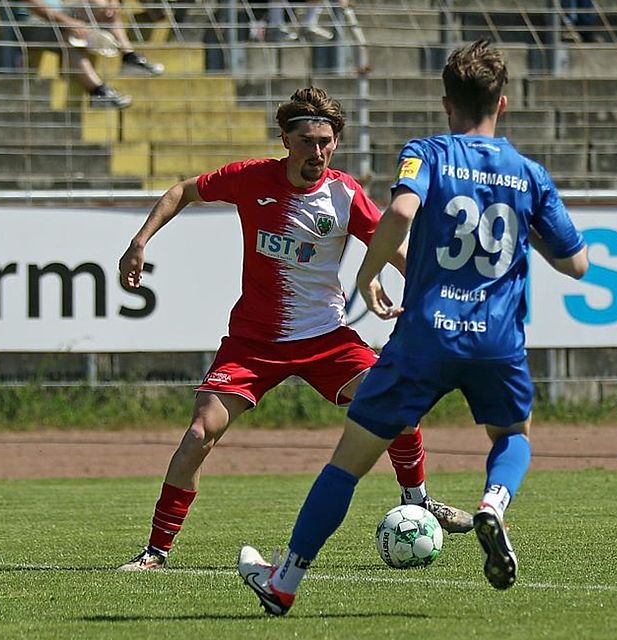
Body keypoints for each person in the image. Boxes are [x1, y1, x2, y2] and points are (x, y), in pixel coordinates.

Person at [237, 40, 589, 616]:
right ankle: (494, 505)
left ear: (447, 102)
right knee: (512, 436)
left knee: (347, 463)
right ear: (502, 103)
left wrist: (370, 276)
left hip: (426, 333)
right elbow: (577, 264)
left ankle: (286, 580)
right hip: (497, 339)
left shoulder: (425, 152)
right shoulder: (530, 174)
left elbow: (400, 213)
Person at [116, 87, 473, 572]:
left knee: (396, 398)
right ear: (285, 139)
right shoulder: (250, 178)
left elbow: (394, 249)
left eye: (326, 141)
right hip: (254, 342)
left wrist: (435, 299)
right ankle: (155, 552)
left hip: (326, 338)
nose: (318, 152)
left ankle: (419, 499)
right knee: (200, 432)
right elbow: (182, 191)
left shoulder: (345, 194)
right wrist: (139, 242)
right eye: (307, 141)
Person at [17, 1, 166, 109]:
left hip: (60, 15)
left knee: (101, 5)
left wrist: (112, 3)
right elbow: (37, 7)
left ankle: (129, 57)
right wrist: (70, 23)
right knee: (71, 36)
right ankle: (98, 91)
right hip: (30, 23)